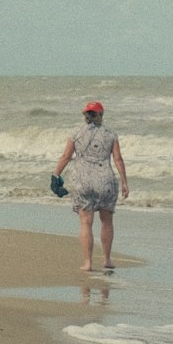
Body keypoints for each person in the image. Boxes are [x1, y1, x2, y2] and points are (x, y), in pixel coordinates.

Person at [51, 100, 128, 272]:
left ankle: (87, 263)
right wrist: (124, 182)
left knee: (86, 222)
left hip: (82, 181)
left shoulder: (76, 133)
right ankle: (107, 260)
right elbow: (118, 159)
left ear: (85, 115)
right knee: (107, 222)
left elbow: (65, 156)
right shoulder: (110, 134)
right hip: (105, 180)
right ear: (101, 115)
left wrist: (55, 175)